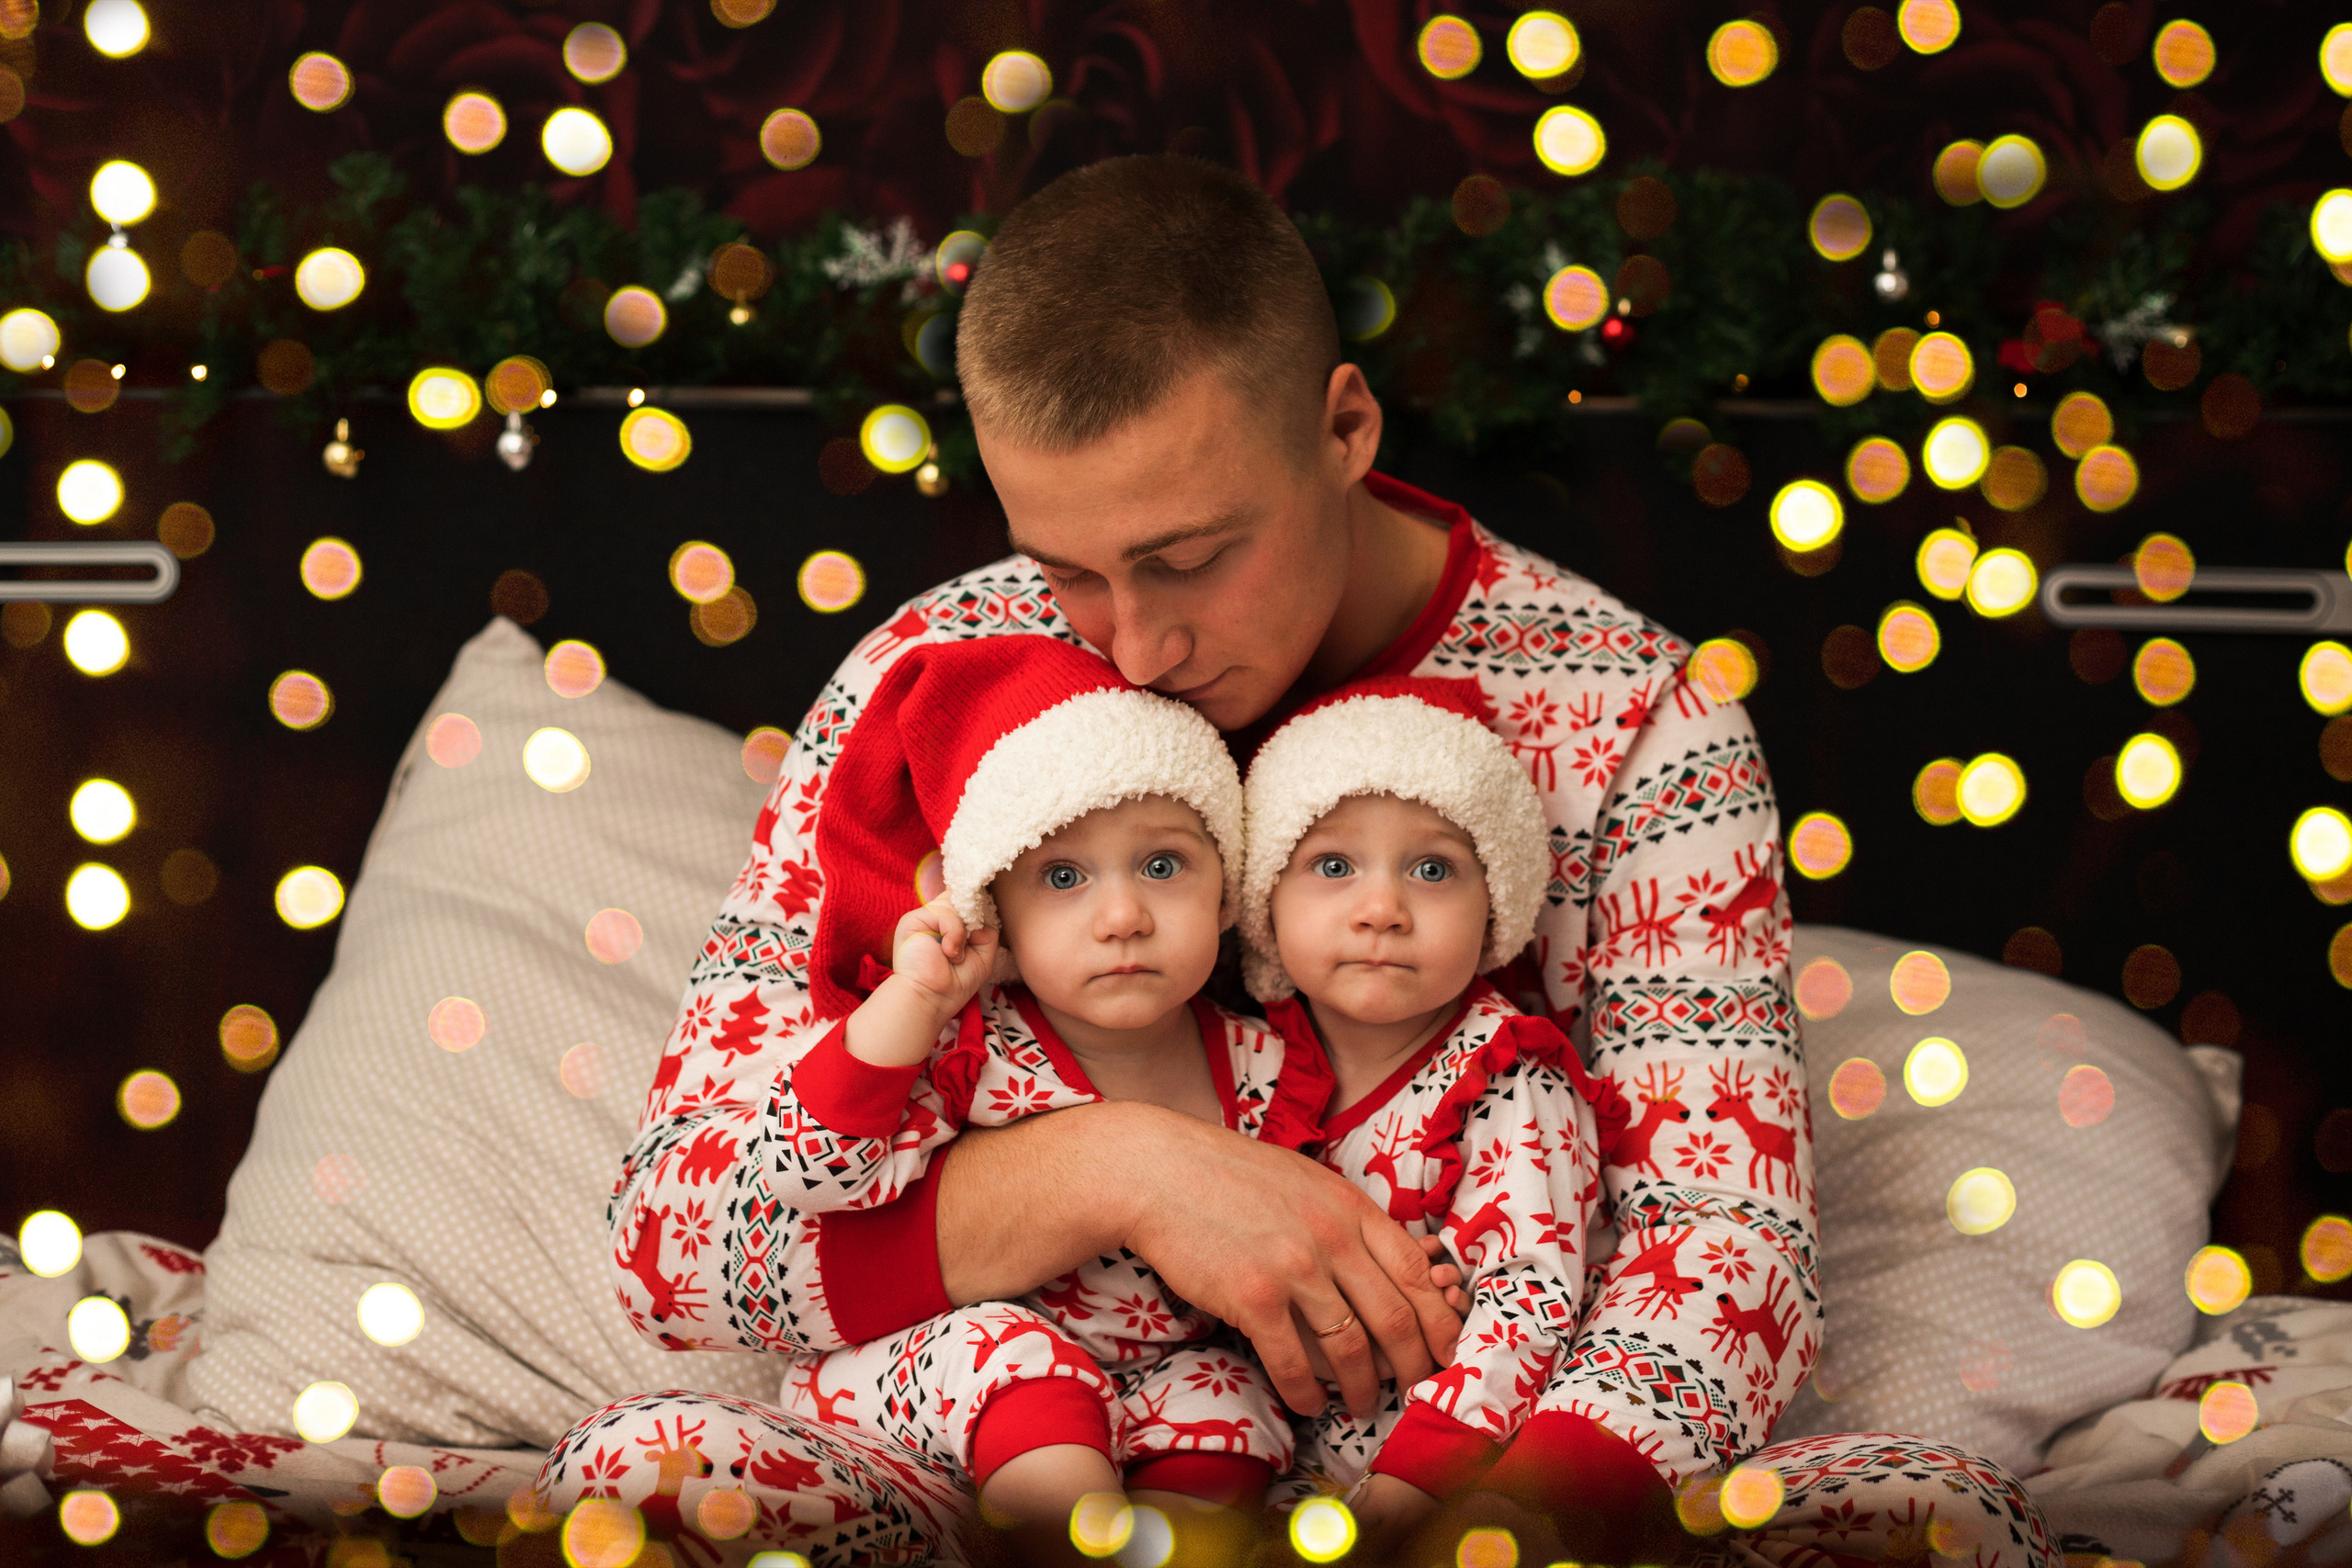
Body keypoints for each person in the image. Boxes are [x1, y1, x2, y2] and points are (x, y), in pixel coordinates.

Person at [534, 155, 2055, 1568]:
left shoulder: (1628, 714)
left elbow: (1725, 1251)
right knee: (638, 1473)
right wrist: (1128, 1167)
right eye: (1070, 572)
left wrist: (1475, 1527)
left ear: (1345, 428)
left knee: (1936, 1518)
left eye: (1190, 559)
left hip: (1459, 1480)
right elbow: (679, 1253)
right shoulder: (933, 675)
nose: (1137, 644)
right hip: (1009, 1466)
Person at [762, 635, 1325, 1550]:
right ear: (997, 915)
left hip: (1150, 1378)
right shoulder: (974, 1048)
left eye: (1163, 865)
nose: (1121, 915)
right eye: (1062, 878)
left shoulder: (1268, 1067)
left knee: (1227, 1395)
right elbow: (812, 1167)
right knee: (1027, 1368)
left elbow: (1325, 1208)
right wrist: (909, 1002)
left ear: (1226, 893)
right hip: (949, 1365)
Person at [1232, 675, 1607, 1554]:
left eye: (1433, 869)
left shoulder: (1510, 1077)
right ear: (1265, 900)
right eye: (1333, 865)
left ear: (1495, 909)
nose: (1381, 908)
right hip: (1271, 1476)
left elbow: (1531, 1300)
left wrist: (1408, 1490)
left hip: (1444, 1488)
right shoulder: (1237, 1063)